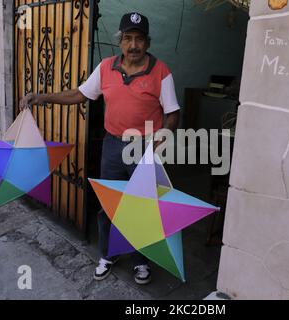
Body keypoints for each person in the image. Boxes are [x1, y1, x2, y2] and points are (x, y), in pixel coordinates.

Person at [19, 12, 180, 285]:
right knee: (109, 203)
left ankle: (141, 261)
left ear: (147, 43)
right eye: (128, 39)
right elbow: (79, 94)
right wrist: (42, 96)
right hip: (112, 146)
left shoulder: (161, 72)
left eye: (139, 39)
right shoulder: (106, 67)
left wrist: (160, 143)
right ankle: (109, 254)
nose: (133, 45)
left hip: (143, 147)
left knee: (143, 207)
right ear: (120, 42)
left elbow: (173, 113)